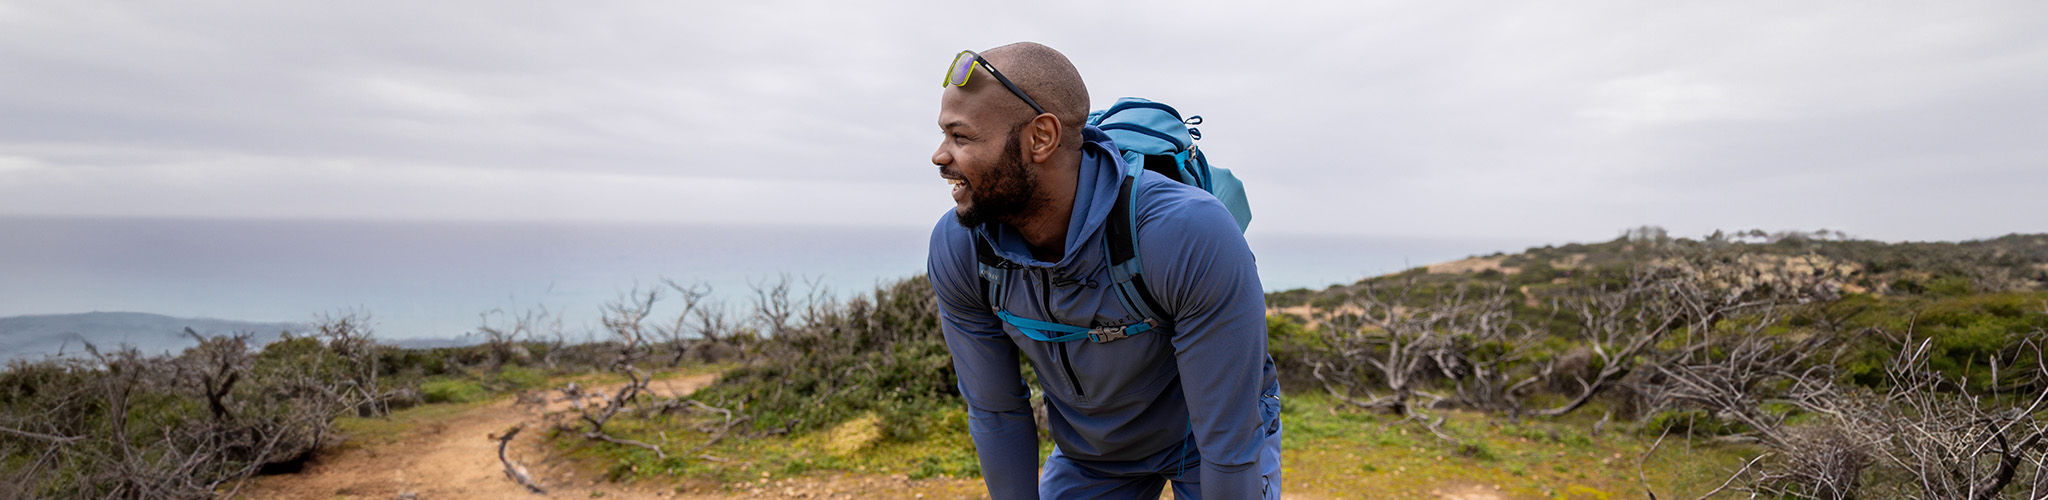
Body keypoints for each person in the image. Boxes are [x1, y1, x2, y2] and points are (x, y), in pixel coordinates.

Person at [925, 42, 1282, 500]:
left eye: (962, 137)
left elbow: (1229, 447)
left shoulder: (1184, 233)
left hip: (1206, 440)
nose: (940, 156)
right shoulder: (961, 246)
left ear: (1041, 138)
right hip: (1094, 453)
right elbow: (996, 412)